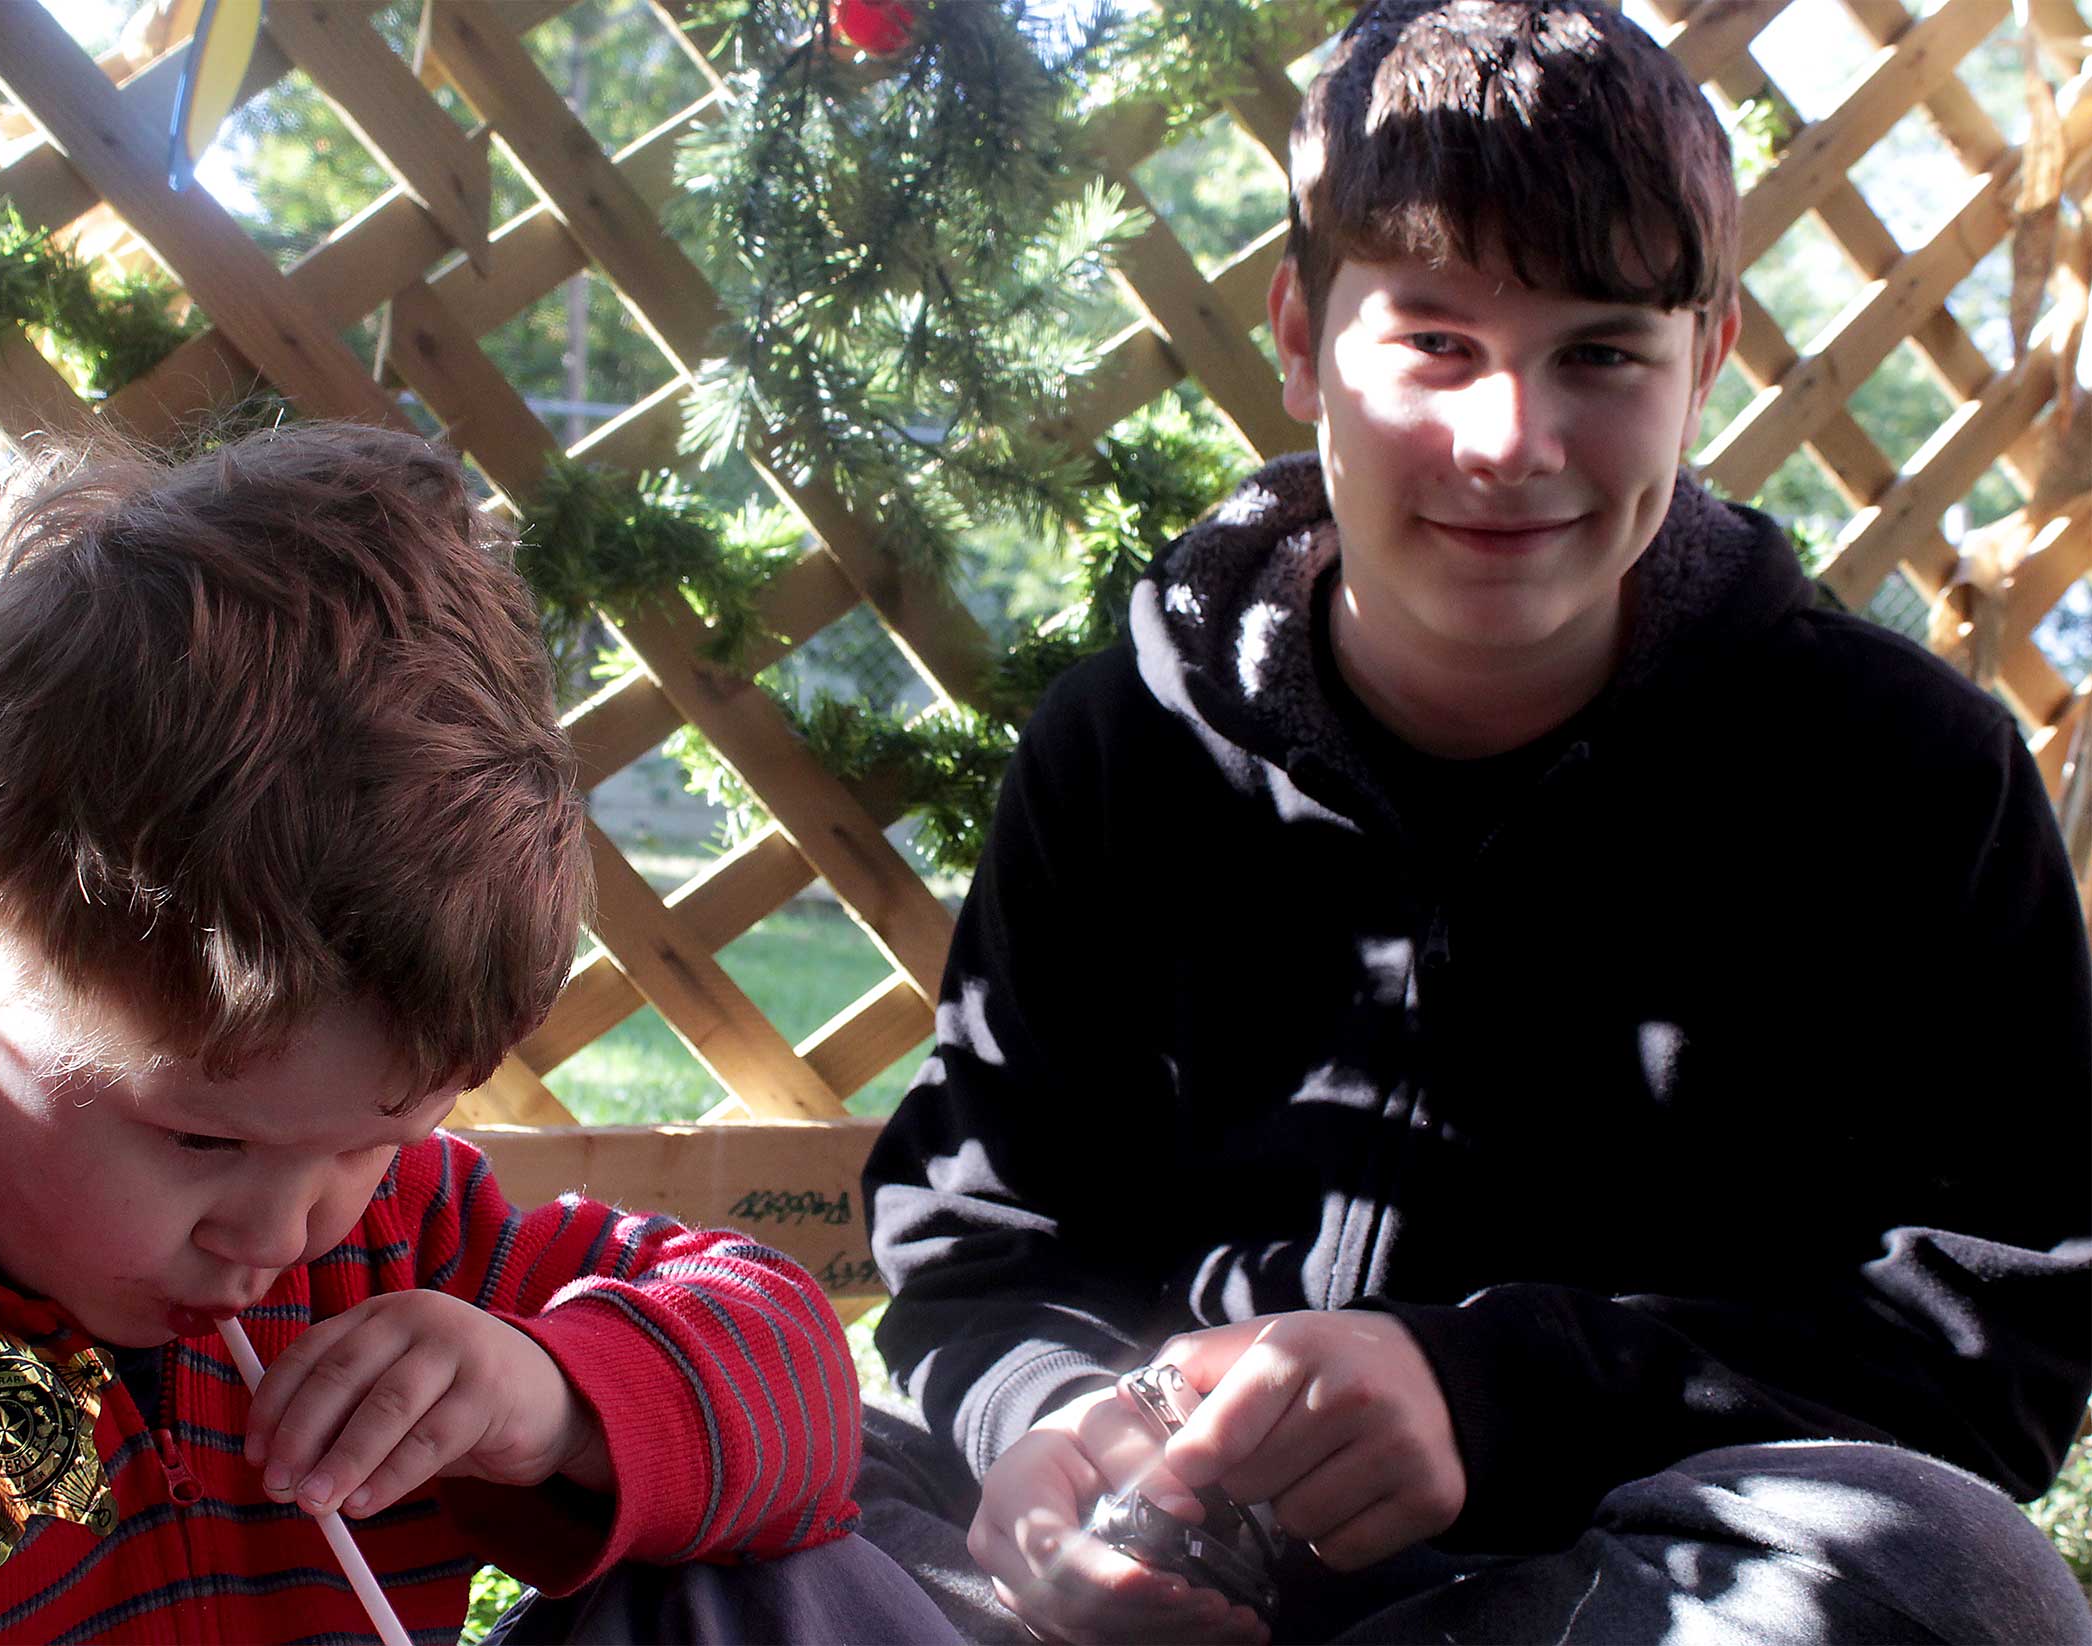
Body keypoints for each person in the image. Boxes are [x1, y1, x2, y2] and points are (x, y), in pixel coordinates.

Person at [853, 2, 2092, 1641]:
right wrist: (1060, 1434)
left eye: (1601, 355)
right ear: (1301, 338)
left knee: (1947, 1572)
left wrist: (1488, 1391)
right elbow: (985, 1242)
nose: (1511, 442)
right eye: (1436, 343)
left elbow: (1993, 1347)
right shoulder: (1120, 750)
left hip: (1610, 1591)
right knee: (747, 1509)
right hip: (1140, 1584)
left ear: (1708, 360)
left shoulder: (1908, 776)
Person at [0, 422, 948, 1642]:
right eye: (202, 1138)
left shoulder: (392, 1241)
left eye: (374, 1142)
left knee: (780, 1587)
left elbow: (800, 1391)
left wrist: (548, 1399)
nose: (285, 1234)